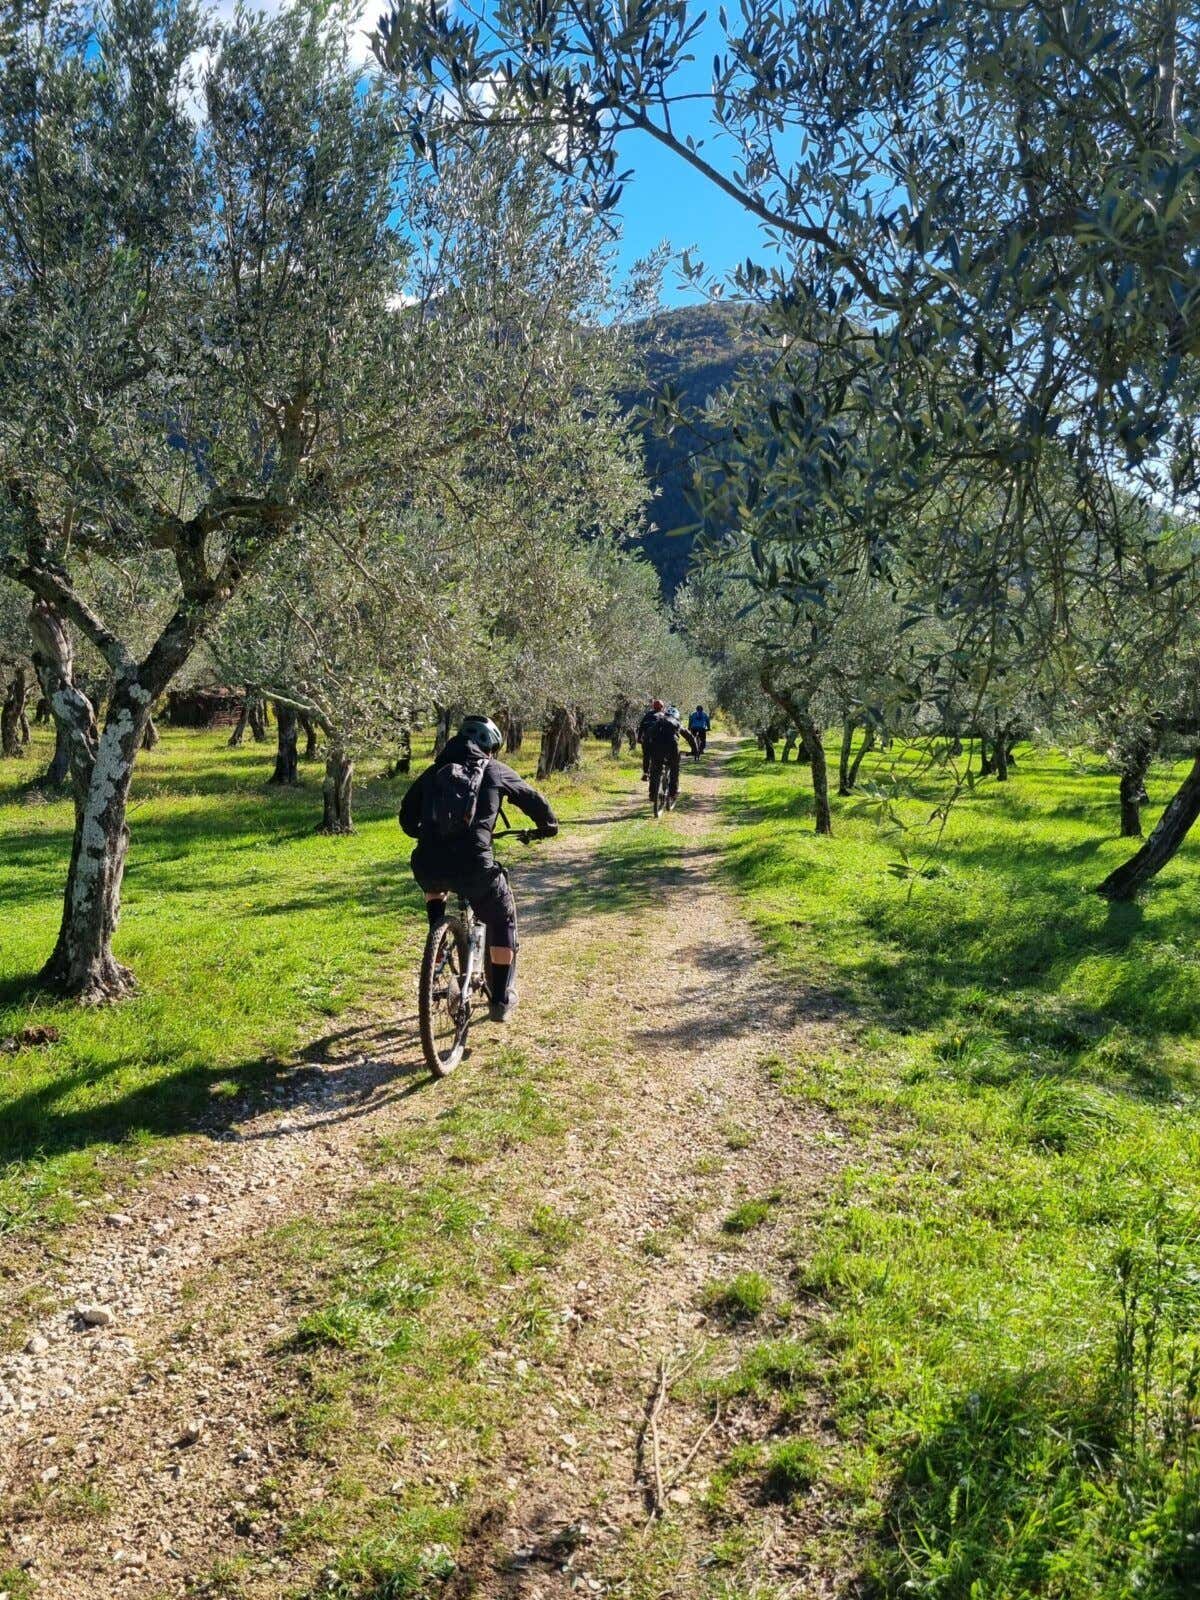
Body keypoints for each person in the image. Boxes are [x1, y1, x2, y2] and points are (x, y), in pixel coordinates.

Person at [400, 714, 558, 1023]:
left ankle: (437, 937)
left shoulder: (433, 772)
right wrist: (548, 826)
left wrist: (430, 834)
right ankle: (500, 1000)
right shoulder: (495, 770)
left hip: (428, 862)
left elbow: (406, 819)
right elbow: (532, 799)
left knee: (435, 884)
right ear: (490, 747)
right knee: (502, 917)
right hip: (475, 866)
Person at [641, 703, 699, 804]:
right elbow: (690, 737)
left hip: (657, 748)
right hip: (672, 748)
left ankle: (652, 794)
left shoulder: (659, 722)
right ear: (677, 716)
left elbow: (648, 734)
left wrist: (647, 748)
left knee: (655, 769)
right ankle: (673, 793)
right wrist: (695, 751)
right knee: (674, 769)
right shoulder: (677, 723)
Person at [637, 698, 666, 780]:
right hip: (659, 741)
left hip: (647, 740)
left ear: (653, 707)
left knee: (646, 756)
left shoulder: (647, 715)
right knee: (662, 754)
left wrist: (639, 738)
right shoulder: (664, 715)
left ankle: (645, 773)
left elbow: (641, 727)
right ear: (662, 707)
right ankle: (662, 769)